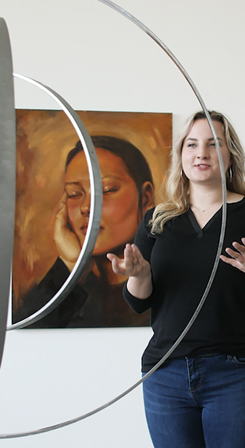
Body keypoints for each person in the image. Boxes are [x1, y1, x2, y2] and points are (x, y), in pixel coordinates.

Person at [107, 110, 245, 448]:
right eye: (192, 144)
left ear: (230, 156)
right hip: (166, 376)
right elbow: (138, 302)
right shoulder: (157, 221)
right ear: (180, 155)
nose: (202, 152)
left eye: (214, 143)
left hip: (238, 373)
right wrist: (139, 275)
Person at [13, 135, 155, 328]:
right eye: (74, 194)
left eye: (106, 190)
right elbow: (24, 334)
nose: (86, 207)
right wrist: (71, 264)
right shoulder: (73, 288)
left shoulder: (168, 280)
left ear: (145, 198)